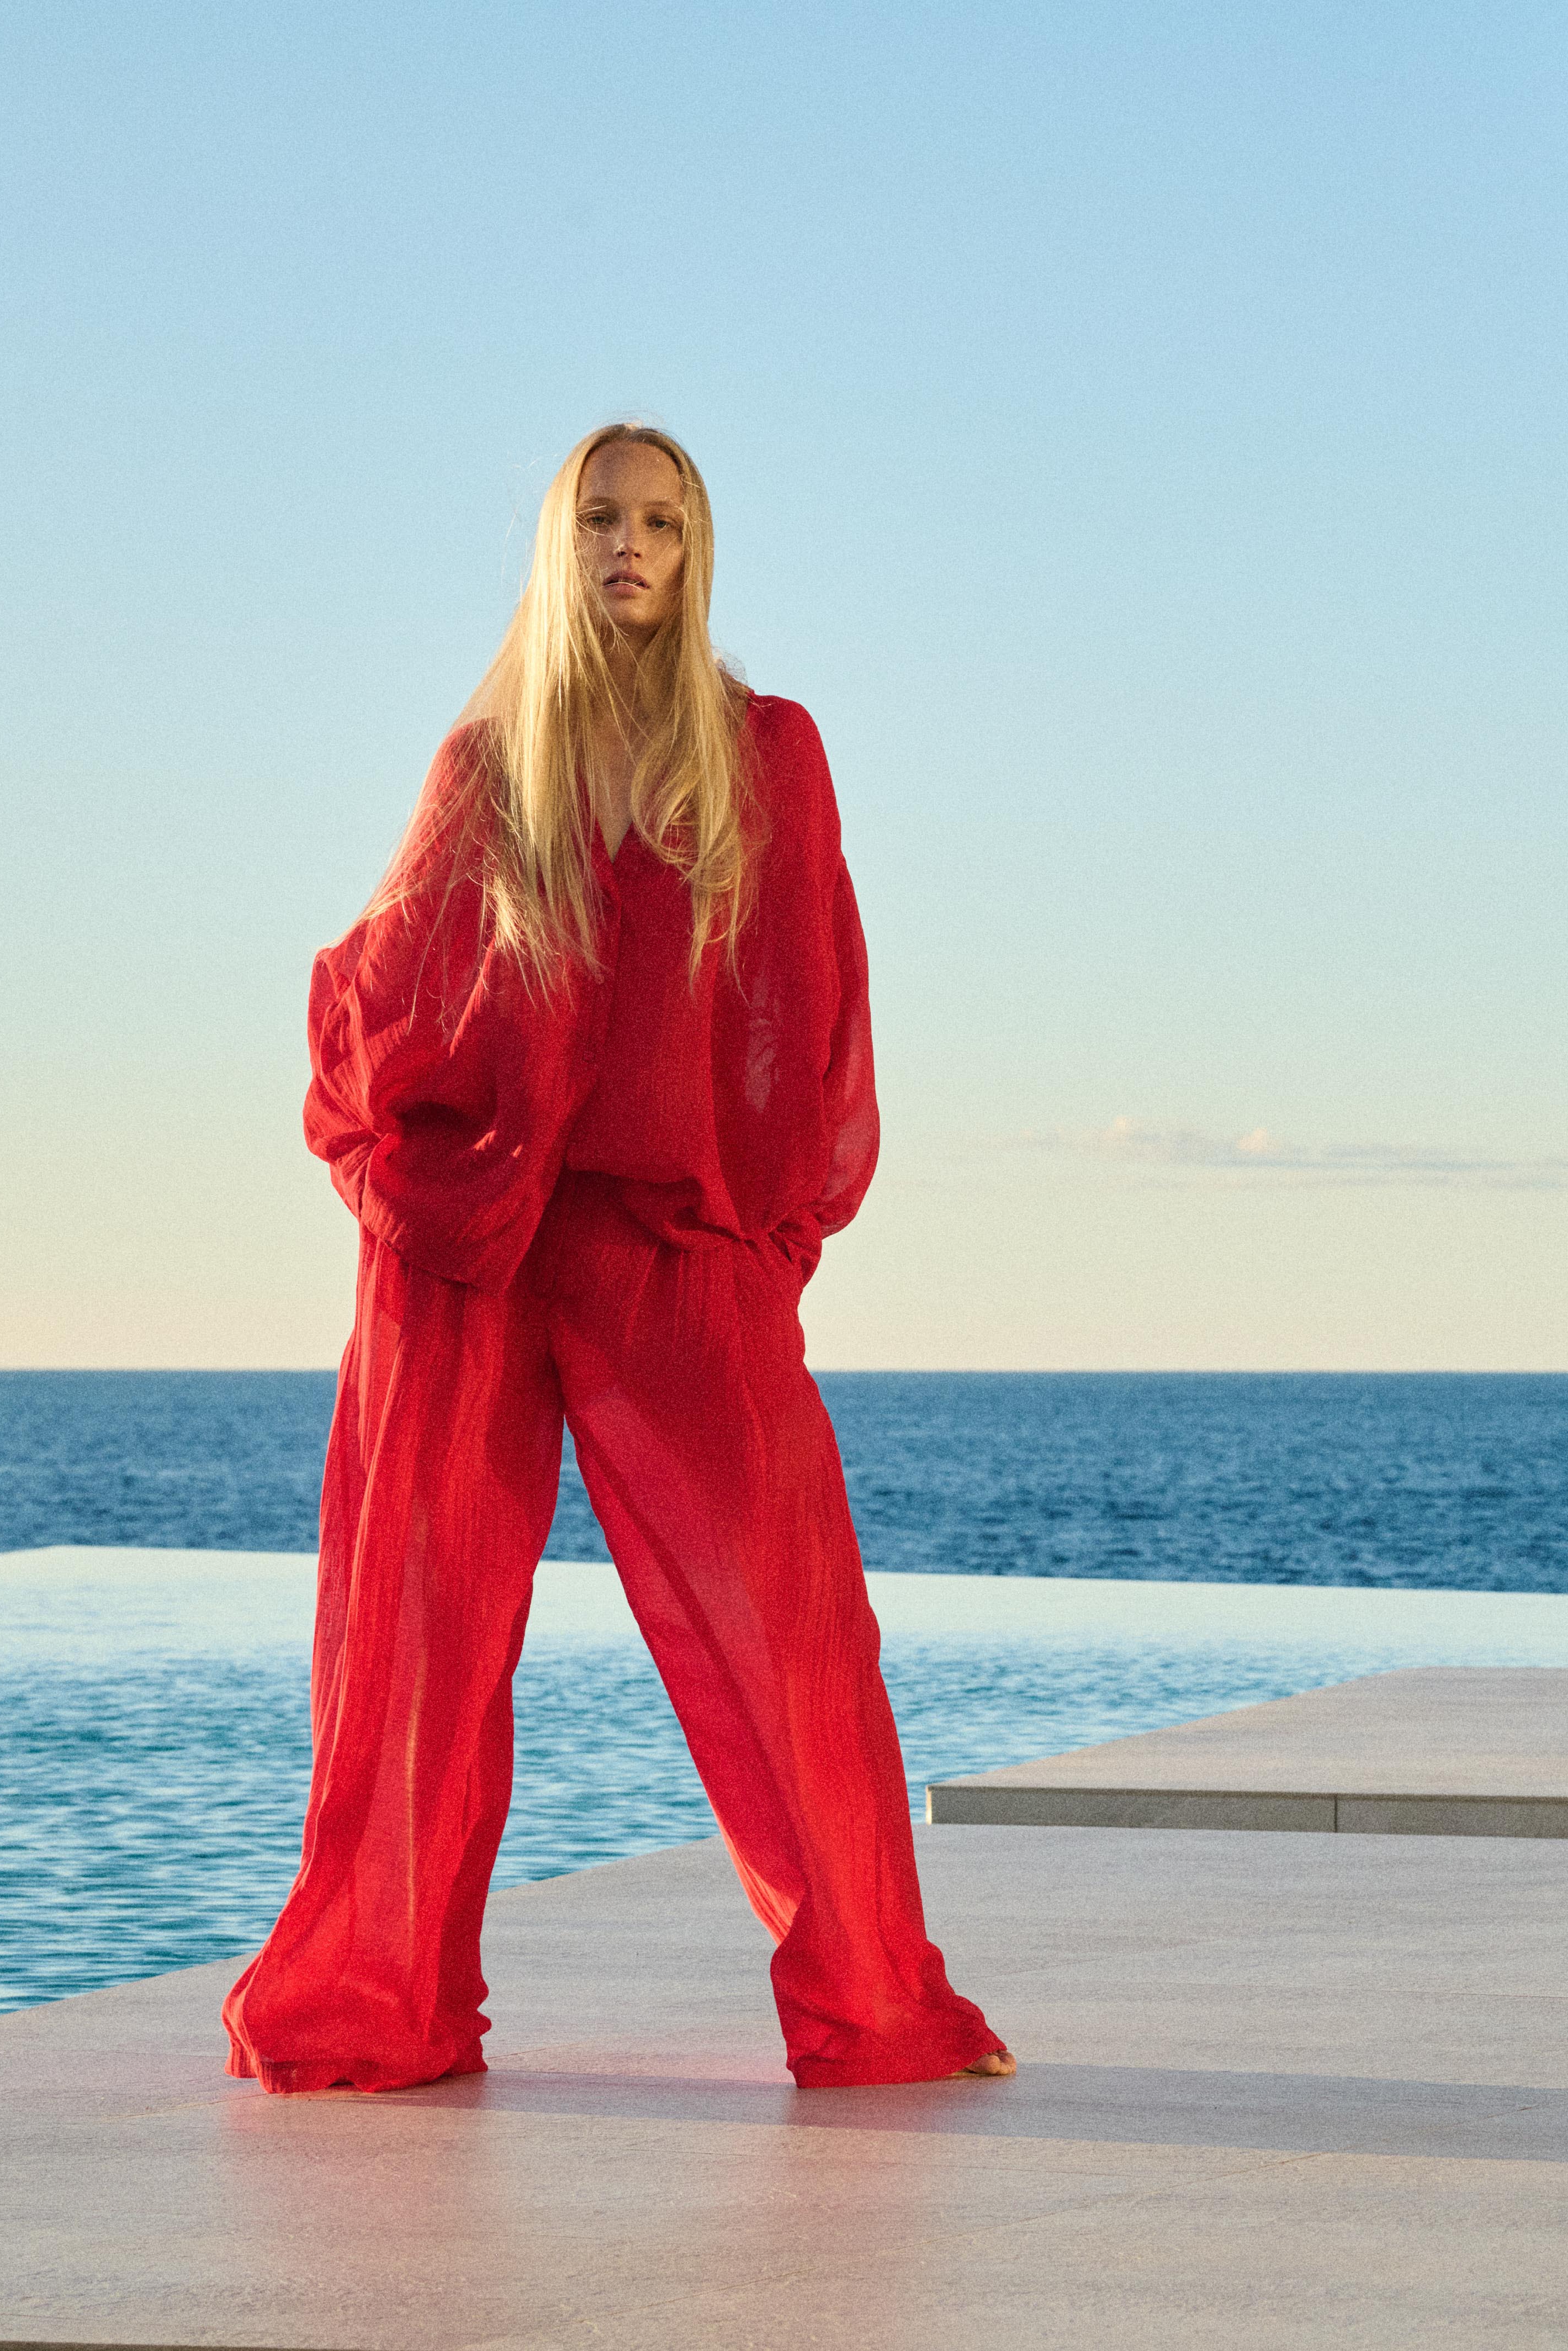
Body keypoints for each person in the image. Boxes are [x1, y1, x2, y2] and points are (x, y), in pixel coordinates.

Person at [220, 423, 1014, 2093]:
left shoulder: (767, 753)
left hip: (675, 1241)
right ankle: (380, 1997)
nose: (628, 546)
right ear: (556, 542)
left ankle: (876, 1998)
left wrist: (766, 1232)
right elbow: (393, 981)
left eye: (660, 520)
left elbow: (815, 1022)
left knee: (790, 1624)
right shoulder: (490, 763)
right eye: (600, 518)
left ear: (697, 546)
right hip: (478, 1244)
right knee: (418, 1627)